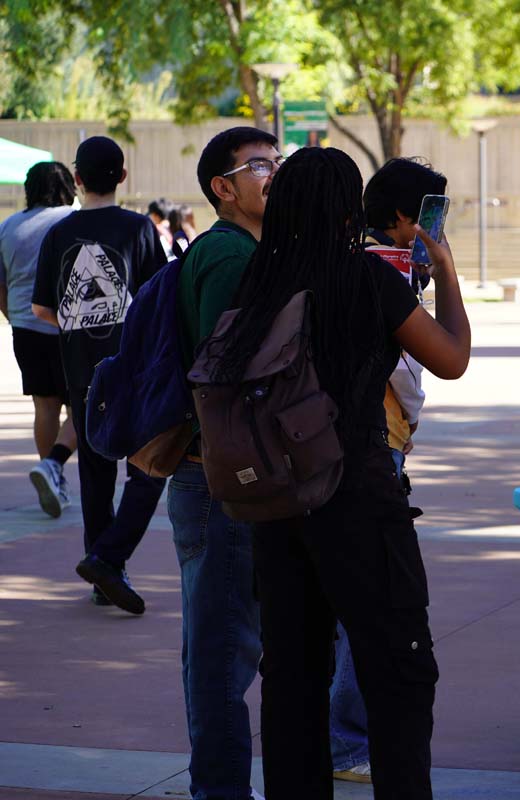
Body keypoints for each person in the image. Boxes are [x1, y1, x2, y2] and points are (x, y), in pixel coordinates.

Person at [202, 146, 470, 799]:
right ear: (350, 209)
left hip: (278, 500)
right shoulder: (368, 280)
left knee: (293, 673)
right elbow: (452, 359)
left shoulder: (257, 282)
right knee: (399, 669)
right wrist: (448, 275)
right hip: (358, 494)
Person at [326, 157, 444, 785]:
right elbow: (438, 361)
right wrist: (443, 274)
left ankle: (337, 735)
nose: (435, 226)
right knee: (372, 600)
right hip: (377, 441)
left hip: (345, 443)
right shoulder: (380, 271)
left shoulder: (346, 263)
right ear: (403, 216)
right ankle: (346, 739)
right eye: (430, 213)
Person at [171, 126, 280, 800]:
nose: (277, 174)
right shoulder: (232, 257)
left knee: (218, 642)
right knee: (221, 651)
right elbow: (224, 377)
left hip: (218, 473)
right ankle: (220, 791)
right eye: (263, 165)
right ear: (224, 187)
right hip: (224, 478)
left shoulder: (236, 250)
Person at [31, 136, 168, 614]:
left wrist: (78, 322)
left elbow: (41, 307)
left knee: (93, 475)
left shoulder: (58, 235)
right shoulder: (140, 229)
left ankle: (101, 565)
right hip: (134, 368)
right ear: (124, 176)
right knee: (146, 468)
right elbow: (157, 297)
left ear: (79, 179)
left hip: (81, 371)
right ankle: (112, 557)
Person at [0, 161, 78, 518]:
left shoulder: (8, 226)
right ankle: (55, 467)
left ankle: (52, 474)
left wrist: (14, 317)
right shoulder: (73, 218)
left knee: (44, 405)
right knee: (83, 403)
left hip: (24, 326)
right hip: (70, 326)